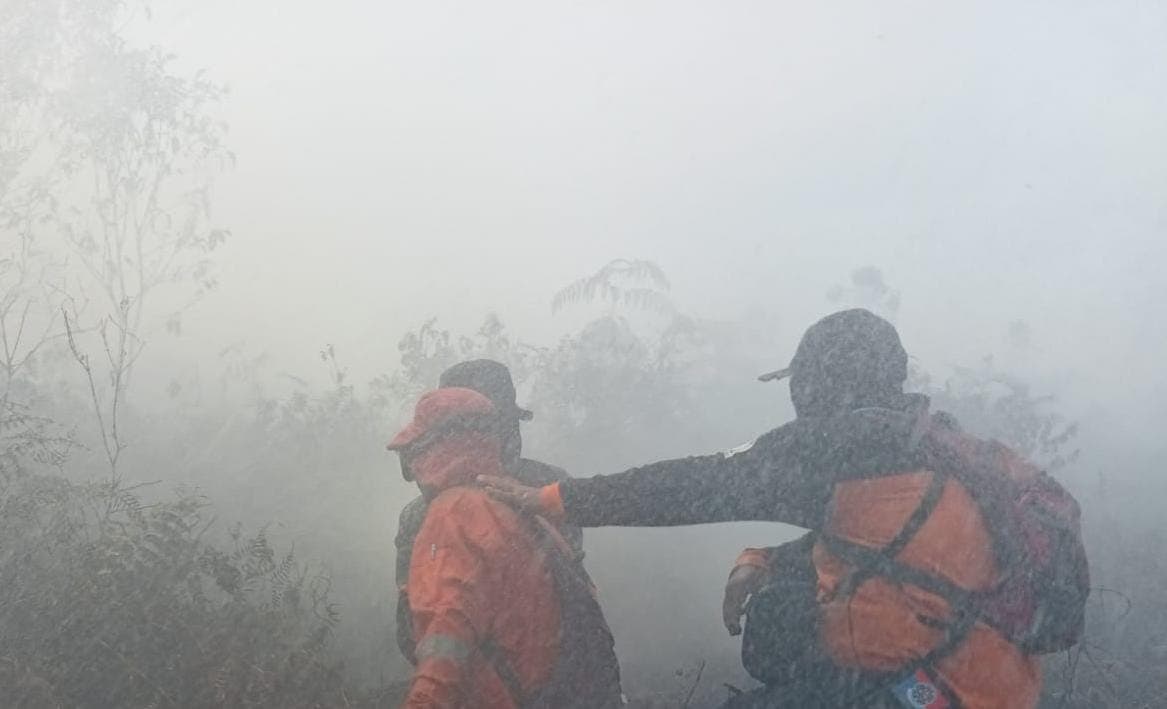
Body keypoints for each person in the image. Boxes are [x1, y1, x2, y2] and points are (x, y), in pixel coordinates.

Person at [481, 308, 1088, 709]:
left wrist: (556, 499)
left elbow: (692, 485)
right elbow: (901, 549)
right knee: (786, 616)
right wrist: (764, 560)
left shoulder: (841, 448)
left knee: (774, 641)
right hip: (998, 685)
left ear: (822, 381)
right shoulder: (936, 445)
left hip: (926, 691)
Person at [388, 386, 623, 708]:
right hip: (568, 693)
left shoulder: (452, 513)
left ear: (433, 446)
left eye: (413, 453)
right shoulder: (525, 504)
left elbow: (445, 634)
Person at [394, 359, 582, 664]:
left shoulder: (550, 488)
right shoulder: (421, 516)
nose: (506, 437)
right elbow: (410, 626)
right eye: (492, 427)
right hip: (542, 674)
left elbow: (570, 592)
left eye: (506, 426)